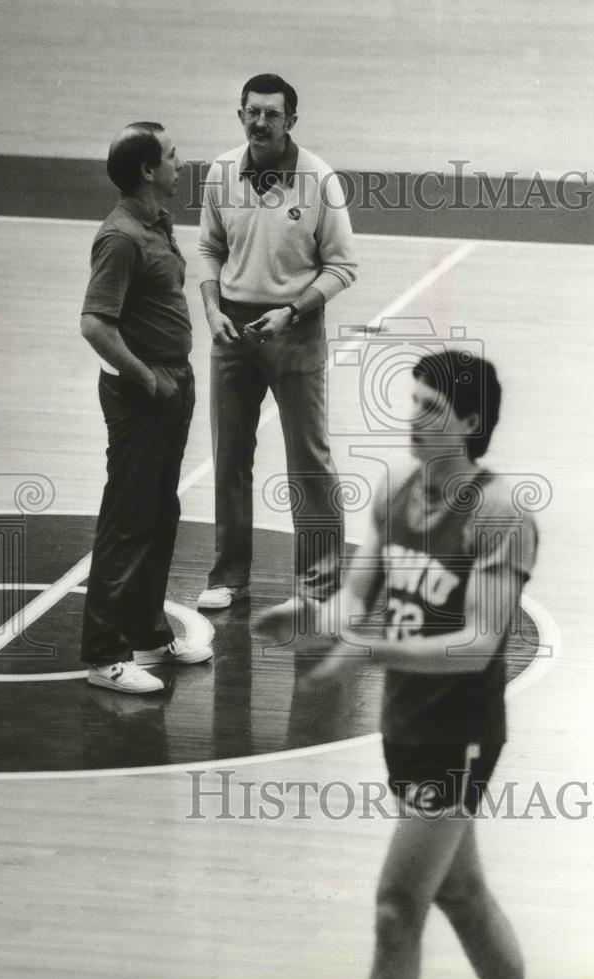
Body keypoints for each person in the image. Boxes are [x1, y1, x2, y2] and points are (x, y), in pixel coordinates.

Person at [256, 347, 536, 979]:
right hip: (404, 725)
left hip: (460, 737)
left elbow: (476, 644)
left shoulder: (500, 515)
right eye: (414, 400)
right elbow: (357, 605)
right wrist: (314, 619)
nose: (415, 416)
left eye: (433, 408)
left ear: (469, 425)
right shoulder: (394, 493)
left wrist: (371, 651)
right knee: (460, 895)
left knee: (396, 908)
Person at [196, 73, 358, 610]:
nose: (260, 121)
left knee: (309, 459)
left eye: (272, 113)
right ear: (239, 114)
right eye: (252, 111)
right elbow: (208, 250)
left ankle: (321, 583)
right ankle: (228, 576)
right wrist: (213, 309)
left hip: (296, 329)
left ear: (291, 120)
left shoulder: (319, 179)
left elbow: (342, 266)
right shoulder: (220, 172)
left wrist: (291, 312)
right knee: (230, 457)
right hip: (232, 333)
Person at [80, 122, 211, 695]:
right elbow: (95, 325)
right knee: (129, 521)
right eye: (173, 157)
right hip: (144, 397)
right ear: (148, 171)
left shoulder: (158, 222)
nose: (181, 164)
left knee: (160, 514)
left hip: (171, 386)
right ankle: (106, 656)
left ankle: (149, 632)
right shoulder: (122, 238)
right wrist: (147, 378)